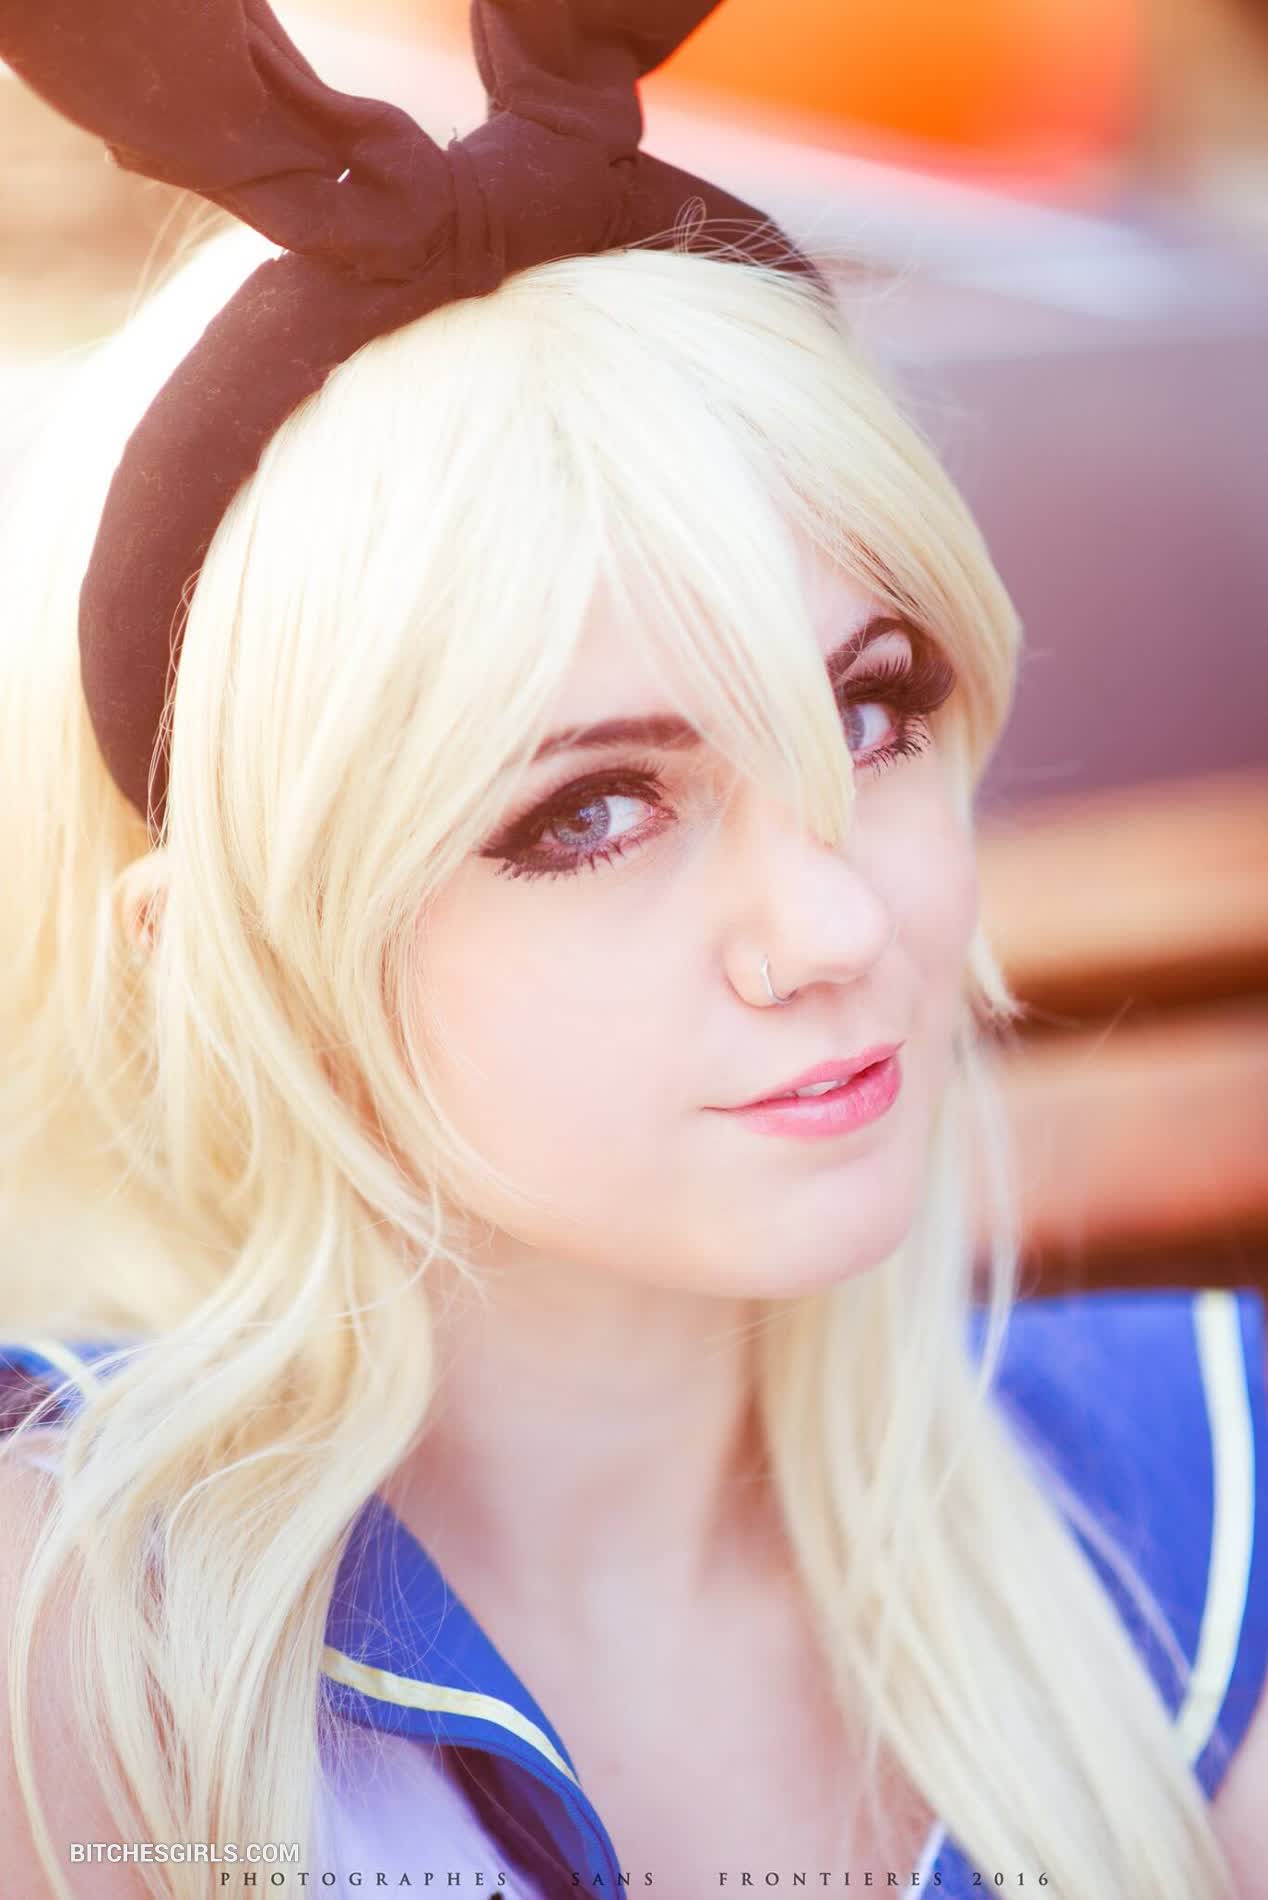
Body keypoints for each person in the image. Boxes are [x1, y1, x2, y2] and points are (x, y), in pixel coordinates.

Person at [0, 3, 1264, 1897]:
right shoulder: (74, 1643)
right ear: (229, 969)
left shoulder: (1201, 1509)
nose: (833, 925)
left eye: (871, 712)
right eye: (591, 813)